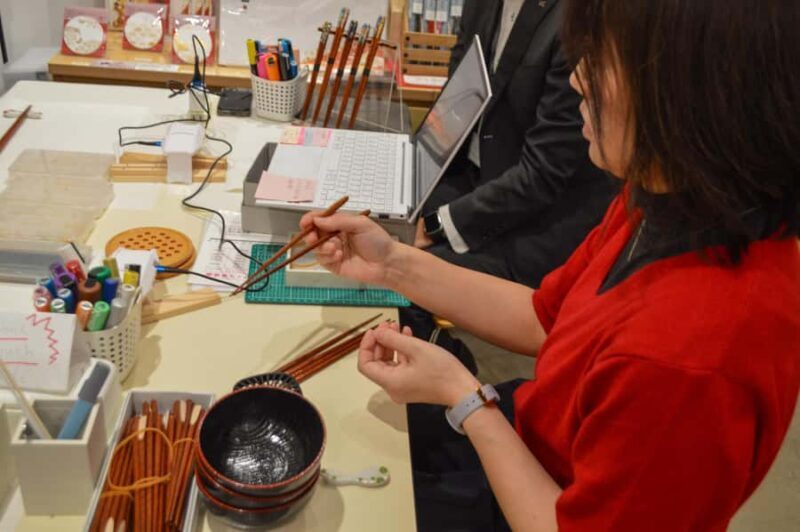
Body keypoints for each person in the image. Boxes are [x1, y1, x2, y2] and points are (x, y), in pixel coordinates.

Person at [301, 0, 800, 530]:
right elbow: (545, 318)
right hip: (530, 436)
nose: (579, 79)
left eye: (604, 61)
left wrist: (463, 395)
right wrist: (390, 264)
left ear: (697, 92)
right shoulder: (663, 197)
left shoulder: (689, 358)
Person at [404, 0, 617, 348]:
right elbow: (459, 87)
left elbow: (542, 174)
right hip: (481, 175)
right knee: (389, 227)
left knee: (410, 273)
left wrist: (435, 224)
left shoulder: (574, 20)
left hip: (543, 217)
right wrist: (416, 165)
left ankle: (447, 376)